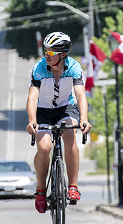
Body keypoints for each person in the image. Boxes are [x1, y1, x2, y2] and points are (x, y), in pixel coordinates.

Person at [25, 32, 91, 213]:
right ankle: (40, 190)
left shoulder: (74, 67)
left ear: (63, 55)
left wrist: (84, 119)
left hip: (65, 108)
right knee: (45, 147)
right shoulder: (39, 68)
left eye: (51, 53)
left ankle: (73, 186)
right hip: (43, 111)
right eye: (46, 51)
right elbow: (32, 97)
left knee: (70, 135)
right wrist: (32, 121)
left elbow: (80, 95)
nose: (47, 55)